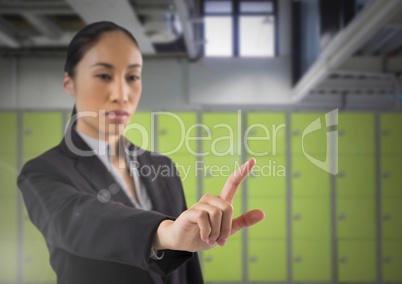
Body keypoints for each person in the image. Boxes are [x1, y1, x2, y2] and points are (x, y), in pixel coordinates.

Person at [17, 21, 265, 284]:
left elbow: (188, 268)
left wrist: (188, 237)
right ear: (70, 83)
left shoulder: (162, 166)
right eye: (104, 75)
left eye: (132, 77)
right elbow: (80, 220)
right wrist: (163, 234)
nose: (122, 94)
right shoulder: (42, 172)